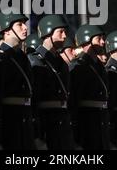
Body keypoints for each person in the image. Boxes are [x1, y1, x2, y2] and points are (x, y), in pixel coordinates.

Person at [0, 12, 34, 150]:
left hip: (25, 123)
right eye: (19, 24)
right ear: (6, 30)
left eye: (24, 24)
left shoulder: (23, 58)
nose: (25, 28)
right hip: (9, 125)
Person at [28, 14, 74, 150]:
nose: (65, 36)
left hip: (63, 125)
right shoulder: (35, 60)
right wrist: (36, 135)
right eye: (60, 32)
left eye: (65, 32)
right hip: (45, 126)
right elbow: (33, 101)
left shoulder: (62, 63)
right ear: (48, 32)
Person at [70, 24, 110, 150]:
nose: (103, 42)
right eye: (98, 39)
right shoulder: (78, 66)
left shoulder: (99, 66)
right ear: (87, 40)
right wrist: (75, 137)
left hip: (101, 124)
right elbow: (73, 102)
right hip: (86, 126)